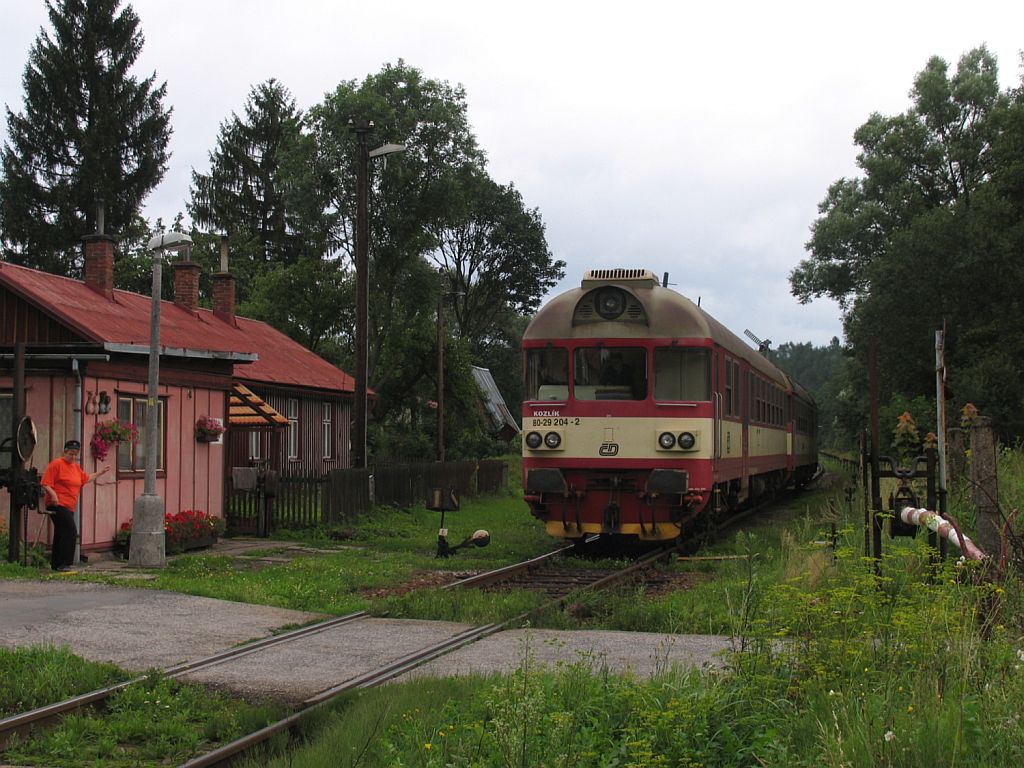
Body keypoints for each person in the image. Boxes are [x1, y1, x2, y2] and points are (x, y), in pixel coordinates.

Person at [40, 440, 110, 572]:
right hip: (56, 504)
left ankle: (56, 564)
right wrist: (53, 495)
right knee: (70, 531)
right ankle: (65, 563)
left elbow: (85, 479)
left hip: (69, 505)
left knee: (61, 532)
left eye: (75, 455)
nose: (73, 457)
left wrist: (100, 473)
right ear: (64, 452)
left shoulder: (75, 467)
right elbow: (45, 483)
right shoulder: (56, 464)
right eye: (70, 454)